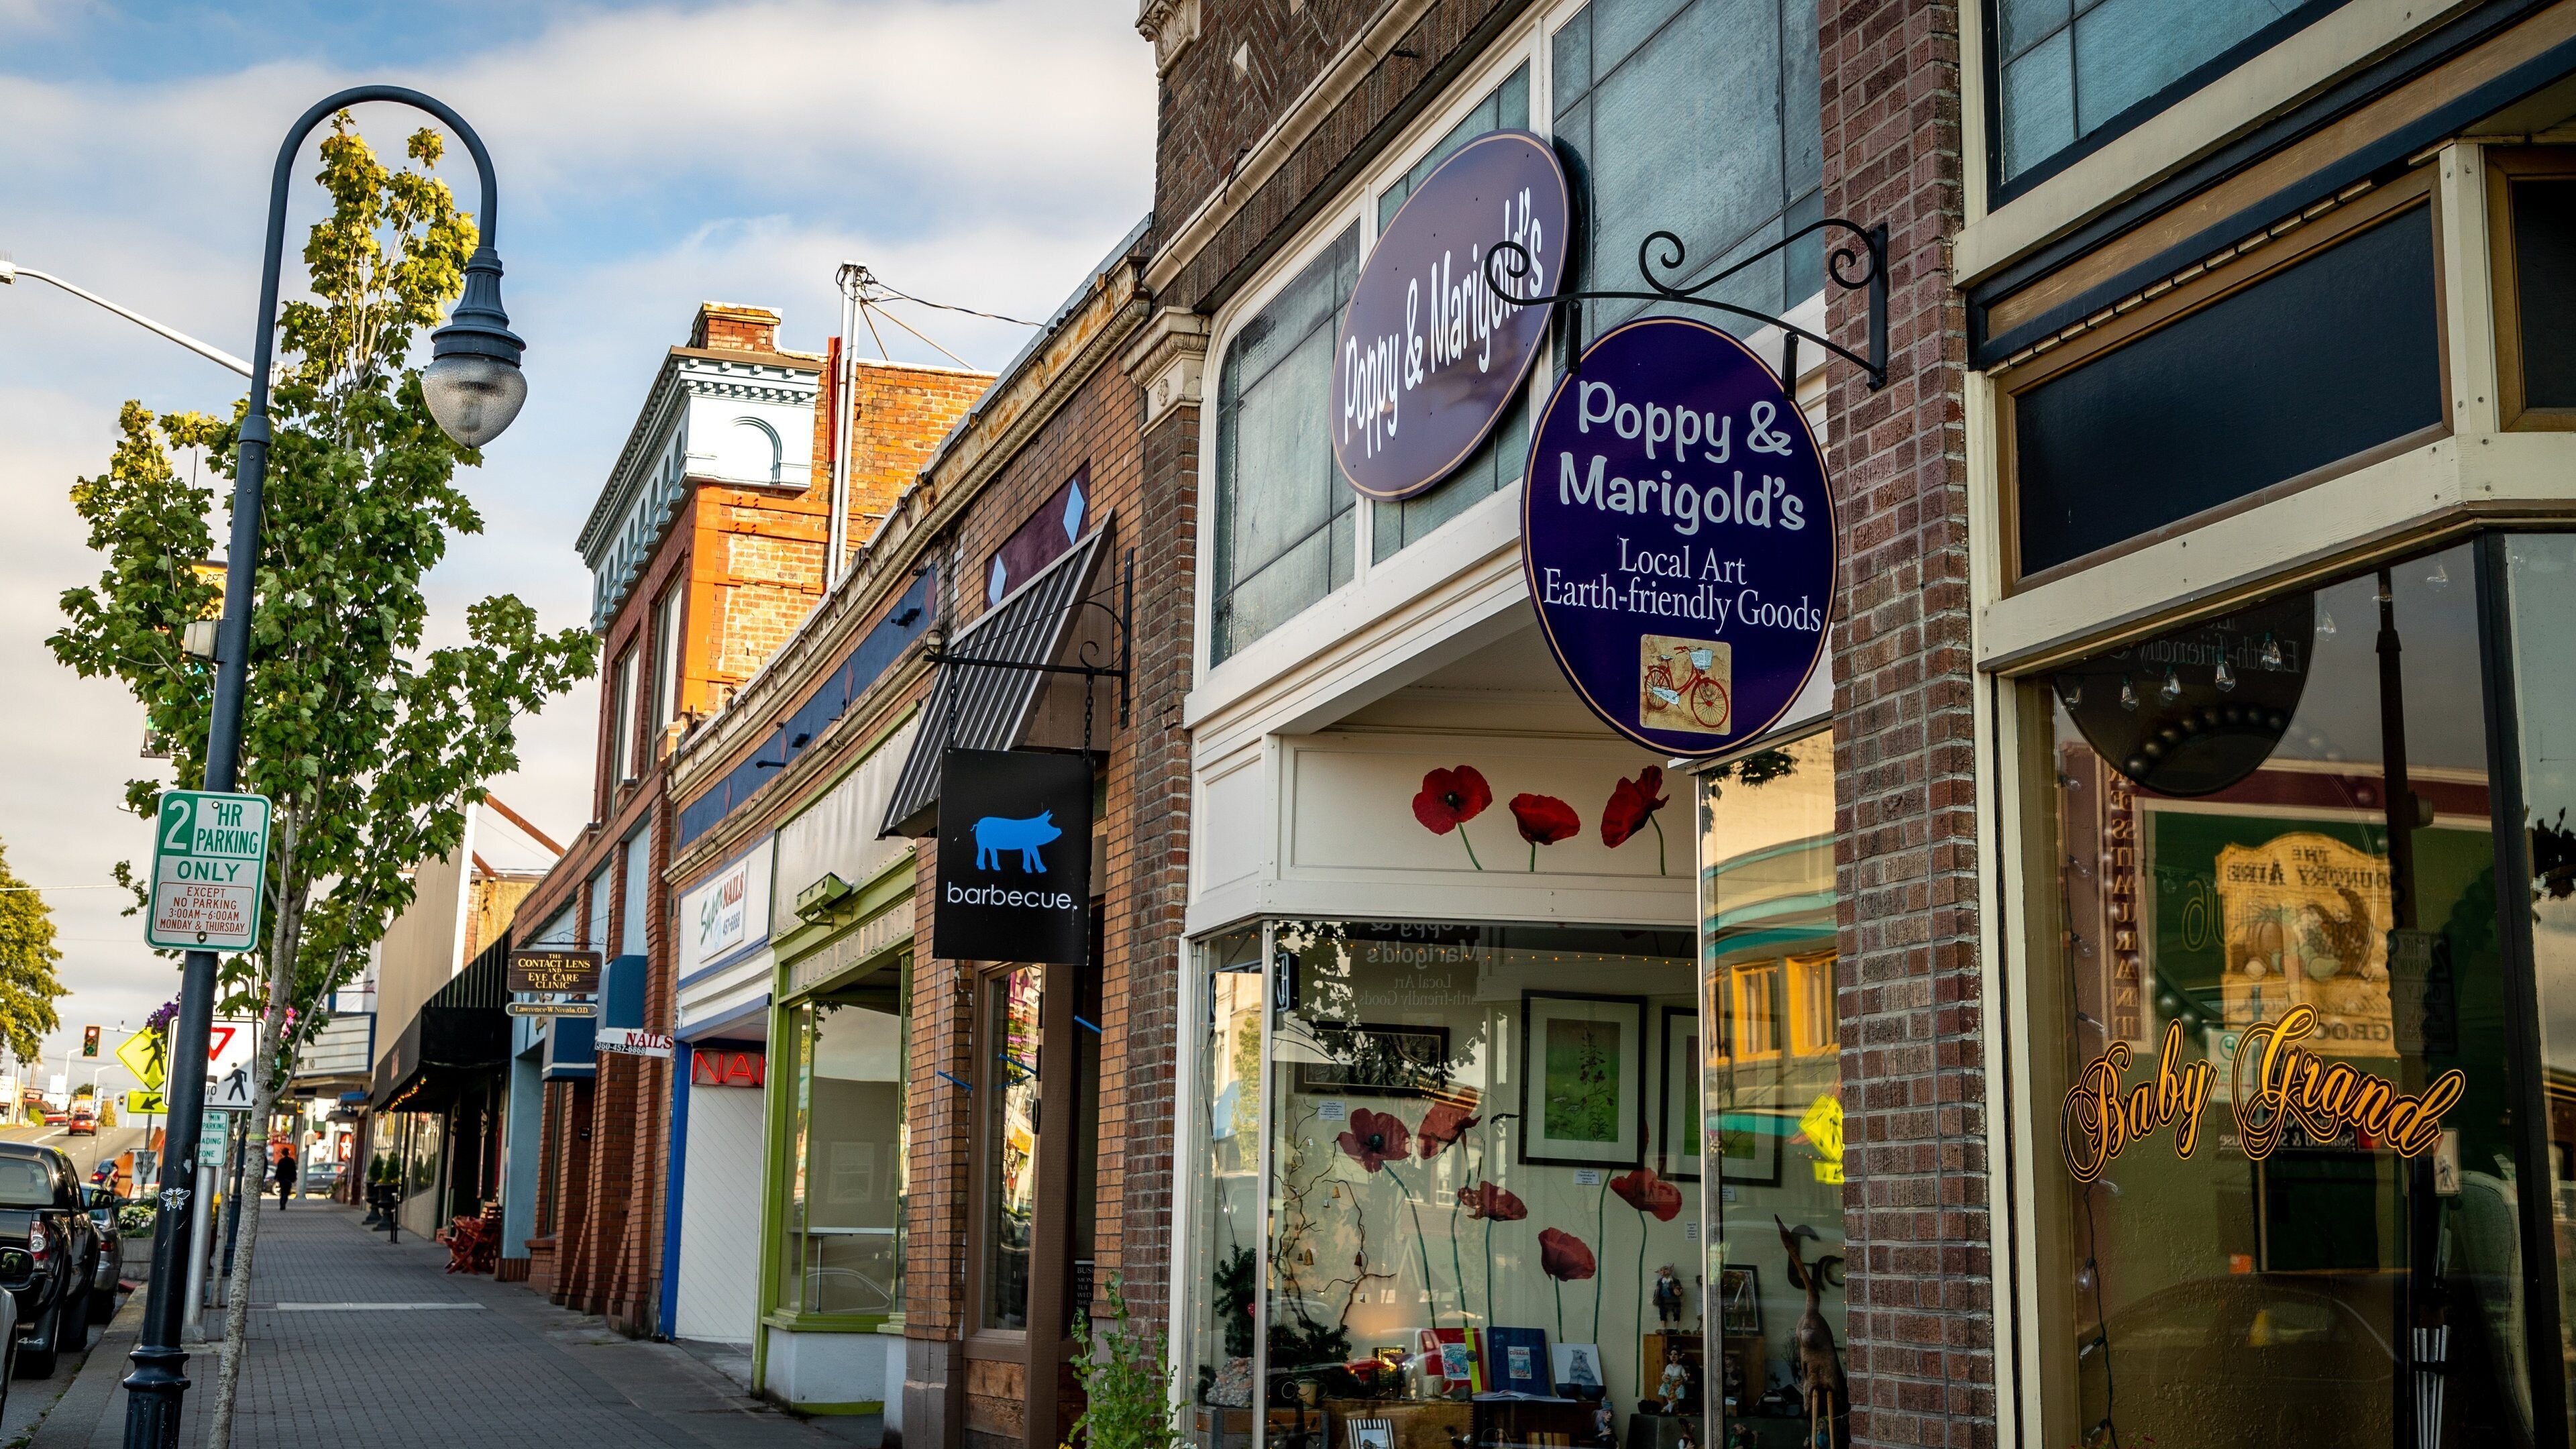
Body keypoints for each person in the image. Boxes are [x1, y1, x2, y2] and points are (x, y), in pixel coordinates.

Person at [272, 1144, 295, 1210]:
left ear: (283, 1153)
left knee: (282, 1191)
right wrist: (294, 1178)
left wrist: (276, 1178)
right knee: (287, 1192)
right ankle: (284, 1202)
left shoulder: (281, 1161)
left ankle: (282, 1203)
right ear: (288, 1153)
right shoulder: (291, 1161)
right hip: (289, 1179)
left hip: (282, 1179)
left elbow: (278, 1170)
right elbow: (293, 1170)